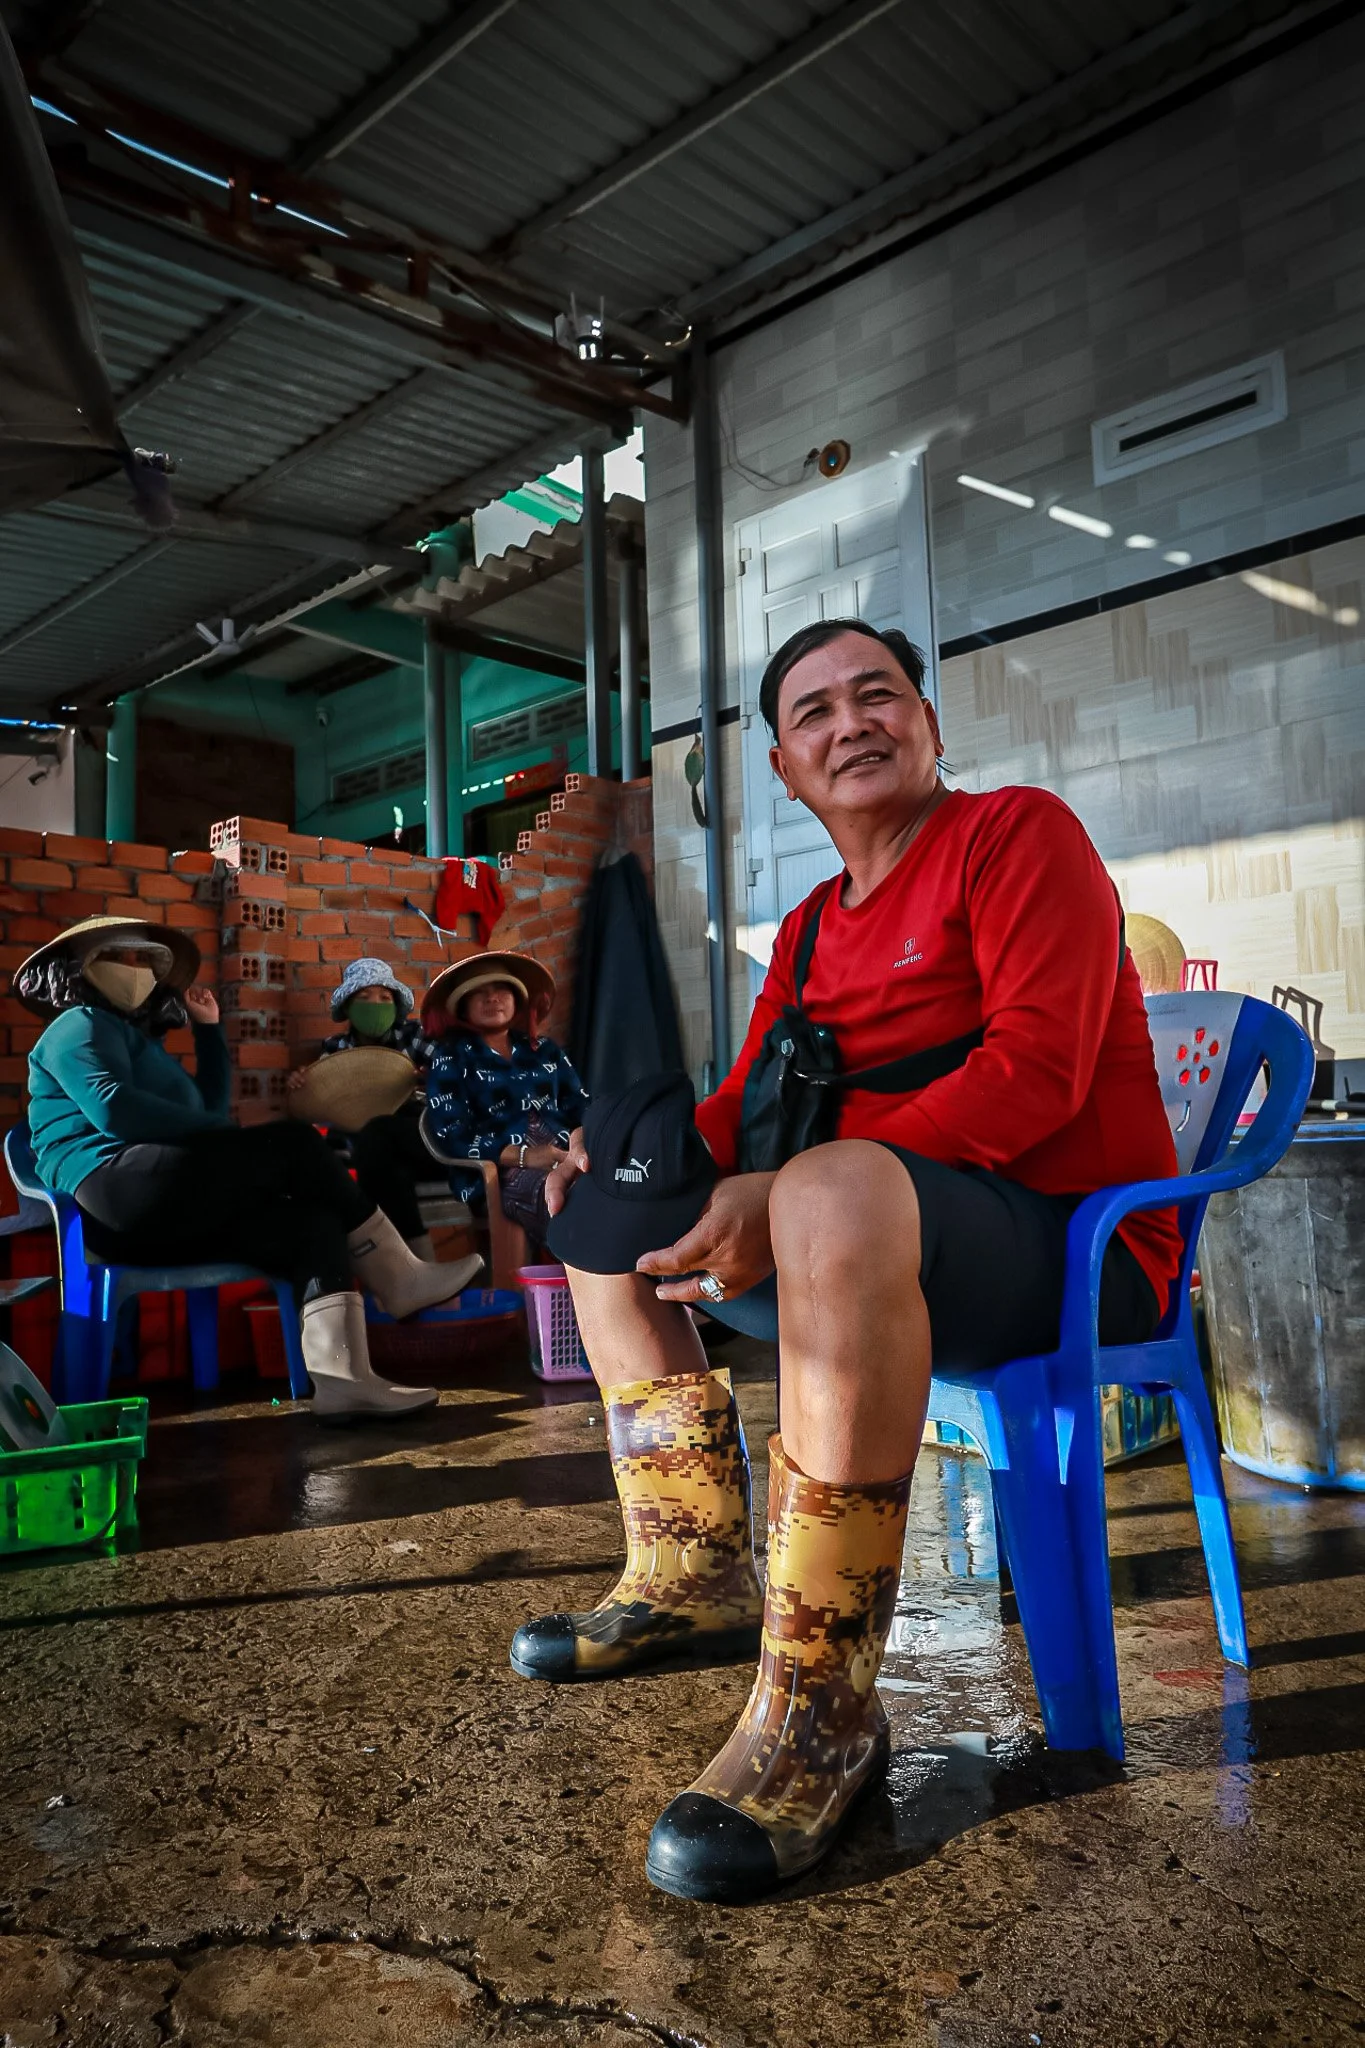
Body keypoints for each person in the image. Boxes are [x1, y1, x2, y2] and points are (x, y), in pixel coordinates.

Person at [518, 618, 1182, 1903]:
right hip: (871, 1239)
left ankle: (822, 1703)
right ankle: (690, 1568)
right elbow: (738, 1113)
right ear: (786, 766)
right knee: (606, 1219)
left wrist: (791, 1186)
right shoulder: (816, 925)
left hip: (1075, 1243)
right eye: (815, 711)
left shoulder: (1014, 836)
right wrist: (618, 1161)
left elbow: (1036, 1078)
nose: (851, 722)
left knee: (826, 1183)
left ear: (929, 726)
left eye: (878, 694)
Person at [16, 917, 480, 1420]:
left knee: (313, 1226)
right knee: (296, 1143)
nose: (138, 970)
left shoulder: (142, 1046)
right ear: (81, 968)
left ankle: (345, 1382)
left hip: (172, 1203)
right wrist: (242, 1142)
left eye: (145, 961)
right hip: (115, 1193)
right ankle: (398, 1276)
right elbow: (114, 1111)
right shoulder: (76, 1024)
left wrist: (210, 1032)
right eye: (123, 958)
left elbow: (209, 1115)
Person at [422, 952, 589, 1256]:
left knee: (618, 1184)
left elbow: (580, 1106)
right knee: (563, 1200)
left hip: (567, 1152)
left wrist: (581, 1147)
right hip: (497, 1169)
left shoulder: (545, 1050)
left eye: (501, 990)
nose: (492, 999)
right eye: (479, 994)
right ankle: (586, 1286)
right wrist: (526, 1156)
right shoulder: (452, 1056)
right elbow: (451, 1132)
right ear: (463, 1007)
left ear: (516, 999)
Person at [290, 957, 443, 1256]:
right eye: (364, 997)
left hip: (422, 1138)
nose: (376, 1003)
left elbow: (453, 1072)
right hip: (372, 1151)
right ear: (348, 1006)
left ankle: (410, 1266)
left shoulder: (414, 1037)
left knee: (378, 1135)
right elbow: (324, 1100)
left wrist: (432, 1078)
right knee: (375, 1157)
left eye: (385, 997)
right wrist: (304, 1085)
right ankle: (420, 1264)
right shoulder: (335, 1049)